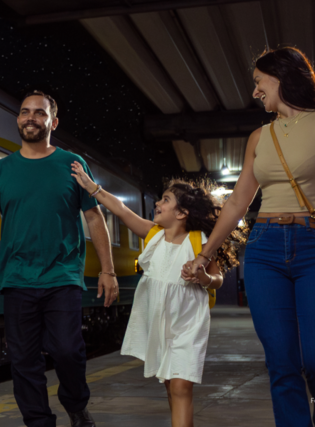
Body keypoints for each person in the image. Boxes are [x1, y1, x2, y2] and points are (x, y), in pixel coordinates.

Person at [188, 47, 315, 427]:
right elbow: (237, 202)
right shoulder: (259, 137)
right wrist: (205, 254)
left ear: (281, 77)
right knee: (281, 362)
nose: (255, 92)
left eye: (259, 82)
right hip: (263, 249)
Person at [0, 90, 117, 427]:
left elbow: (93, 218)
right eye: (25, 112)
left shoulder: (72, 164)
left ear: (53, 122)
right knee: (23, 360)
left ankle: (76, 405)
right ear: (18, 119)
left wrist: (108, 270)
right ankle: (39, 422)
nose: (31, 118)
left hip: (62, 275)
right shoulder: (1, 171)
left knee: (67, 350)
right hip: (17, 278)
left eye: (40, 113)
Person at [70, 170, 241, 427]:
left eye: (165, 200)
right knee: (171, 385)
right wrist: (93, 188)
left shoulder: (200, 242)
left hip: (187, 324)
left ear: (182, 213)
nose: (158, 203)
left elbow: (217, 279)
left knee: (181, 387)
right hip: (159, 322)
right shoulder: (153, 234)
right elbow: (121, 210)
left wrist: (204, 277)